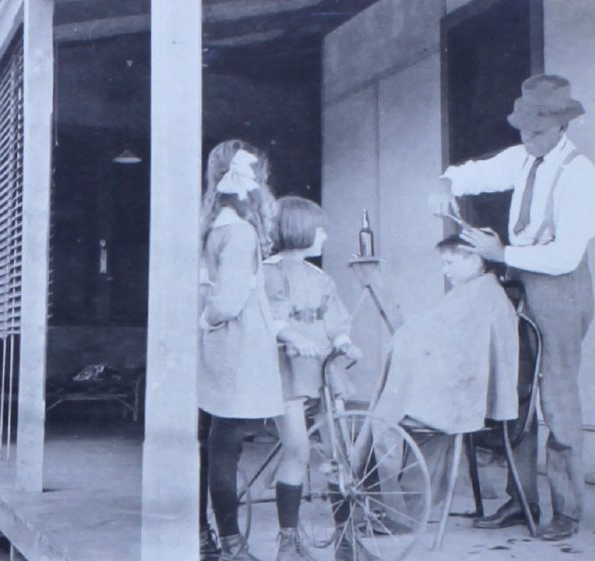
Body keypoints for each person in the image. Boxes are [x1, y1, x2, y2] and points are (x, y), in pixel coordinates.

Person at [429, 74, 595, 541]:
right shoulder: (524, 157)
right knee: (515, 391)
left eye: (537, 132)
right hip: (521, 281)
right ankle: (520, 499)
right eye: (522, 130)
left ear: (562, 127)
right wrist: (447, 181)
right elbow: (475, 173)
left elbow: (565, 255)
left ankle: (566, 511)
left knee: (557, 398)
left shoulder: (580, 175)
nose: (527, 139)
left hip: (561, 287)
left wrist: (500, 254)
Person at [367, 235, 519, 526]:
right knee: (399, 413)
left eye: (449, 263)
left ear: (475, 260)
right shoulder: (479, 292)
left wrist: (408, 336)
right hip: (462, 390)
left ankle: (396, 513)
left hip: (463, 393)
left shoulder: (481, 295)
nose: (444, 271)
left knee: (383, 421)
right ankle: (404, 511)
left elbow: (458, 350)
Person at [262, 196, 374, 561]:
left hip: (323, 370)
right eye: (320, 229)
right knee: (298, 448)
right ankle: (288, 541)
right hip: (288, 370)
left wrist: (344, 342)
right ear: (300, 230)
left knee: (339, 450)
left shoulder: (320, 278)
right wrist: (293, 338)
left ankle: (347, 540)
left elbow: (334, 319)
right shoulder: (269, 272)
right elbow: (273, 319)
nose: (325, 235)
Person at [197, 139, 285, 561]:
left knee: (212, 441)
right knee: (225, 447)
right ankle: (231, 543)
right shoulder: (242, 231)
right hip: (234, 344)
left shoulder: (212, 225)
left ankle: (203, 535)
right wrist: (210, 318)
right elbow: (229, 301)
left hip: (215, 347)